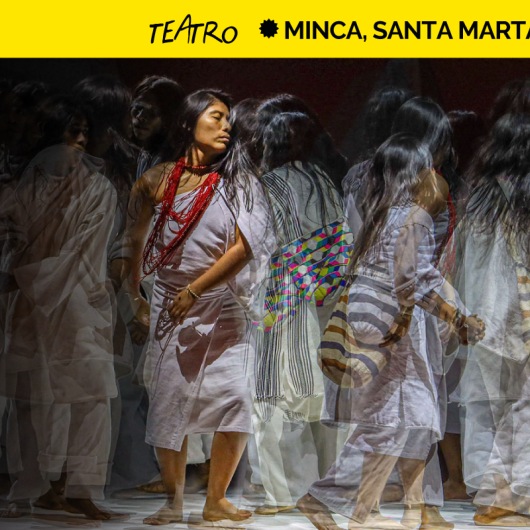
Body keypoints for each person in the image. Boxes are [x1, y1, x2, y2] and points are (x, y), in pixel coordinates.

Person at [299, 134, 485, 530]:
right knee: (389, 421)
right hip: (391, 324)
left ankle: (360, 512)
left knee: (406, 418)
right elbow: (411, 279)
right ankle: (323, 497)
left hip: (373, 315)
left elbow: (413, 274)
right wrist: (457, 317)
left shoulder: (379, 212)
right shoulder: (413, 216)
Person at [123, 89, 273, 525]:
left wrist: (196, 289)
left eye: (229, 120)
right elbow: (132, 242)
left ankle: (216, 500)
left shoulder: (241, 181)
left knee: (236, 399)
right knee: (169, 403)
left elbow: (245, 247)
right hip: (171, 306)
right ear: (190, 123)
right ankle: (172, 501)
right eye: (216, 117)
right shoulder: (155, 181)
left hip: (224, 305)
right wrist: (134, 298)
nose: (226, 126)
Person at [0, 94, 121, 520]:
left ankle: (80, 487)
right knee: (29, 400)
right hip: (29, 308)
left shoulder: (98, 189)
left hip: (78, 304)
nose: (82, 140)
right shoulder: (24, 186)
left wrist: (18, 278)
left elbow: (81, 252)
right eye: (73, 132)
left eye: (85, 132)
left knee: (91, 396)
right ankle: (32, 486)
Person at [250, 110, 353, 515]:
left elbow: (263, 245)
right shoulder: (324, 182)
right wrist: (327, 285)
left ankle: (281, 493)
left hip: (281, 298)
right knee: (321, 398)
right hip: (326, 296)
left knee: (273, 395)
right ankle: (327, 487)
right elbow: (341, 242)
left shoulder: (269, 184)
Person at [455, 113, 530, 527]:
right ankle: (510, 495)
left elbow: (460, 261)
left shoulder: (478, 197)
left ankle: (487, 495)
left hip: (480, 316)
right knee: (522, 406)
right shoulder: (524, 199)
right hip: (519, 315)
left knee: (485, 408)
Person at [131, 75, 186, 179]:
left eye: (152, 112)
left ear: (169, 117)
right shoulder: (143, 151)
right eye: (138, 108)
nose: (140, 117)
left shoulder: (173, 162)